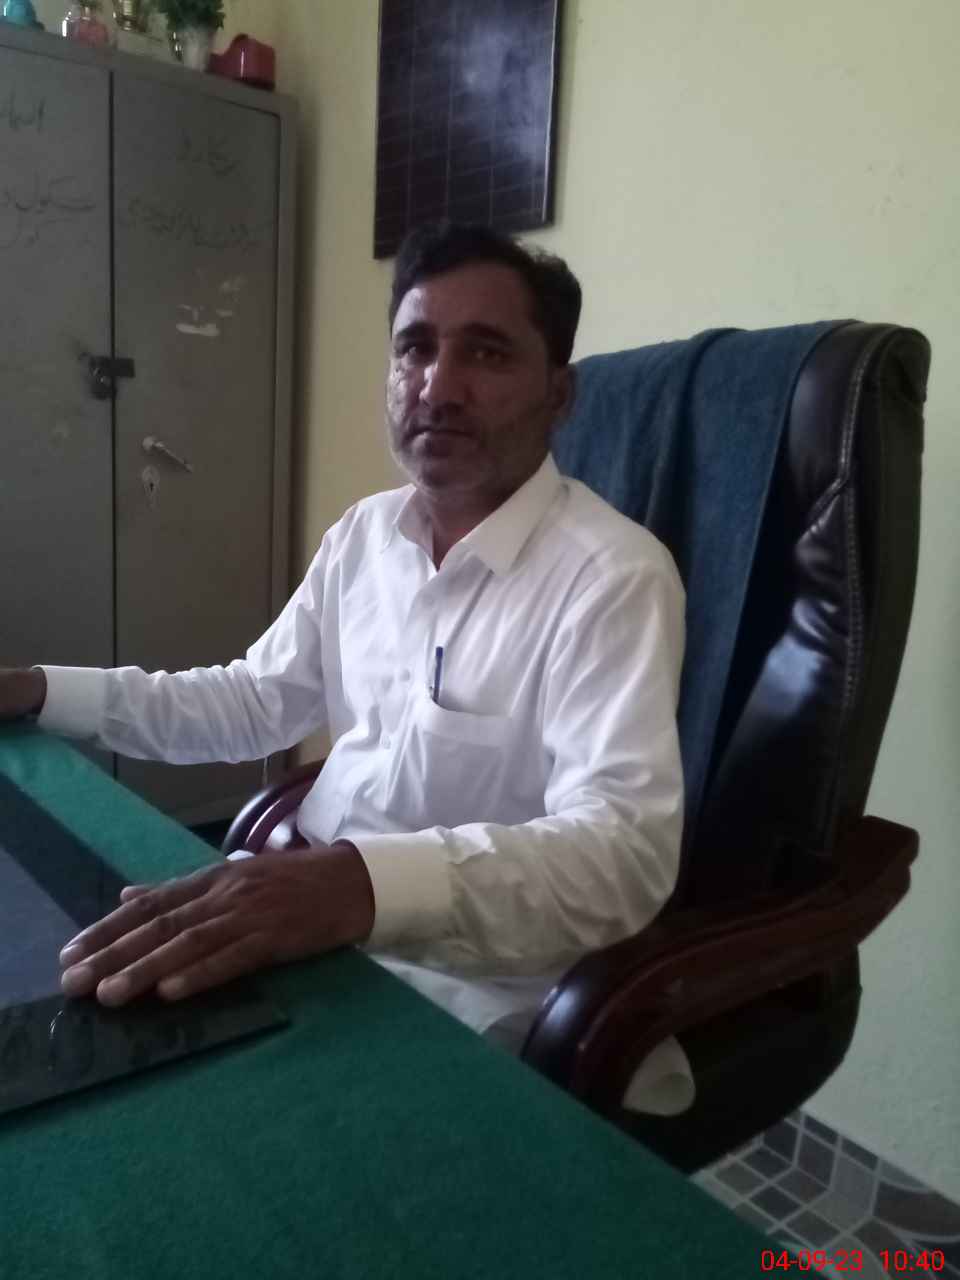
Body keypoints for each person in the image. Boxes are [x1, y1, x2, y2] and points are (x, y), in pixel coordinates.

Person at [0, 221, 691, 1112]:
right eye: (415, 348)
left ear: (559, 395)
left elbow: (623, 854)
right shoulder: (365, 536)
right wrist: (41, 690)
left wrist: (360, 884)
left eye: (486, 352)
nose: (438, 386)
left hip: (465, 993)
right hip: (308, 932)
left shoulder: (614, 577)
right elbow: (251, 703)